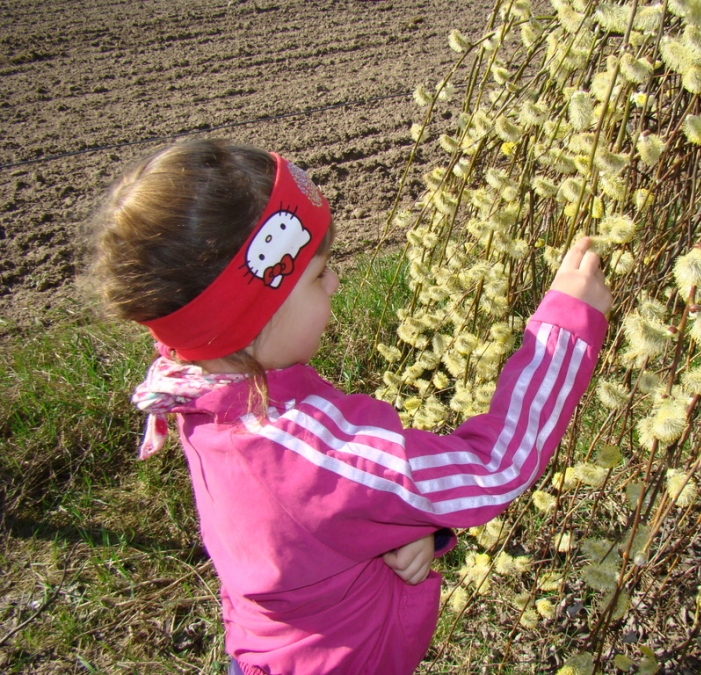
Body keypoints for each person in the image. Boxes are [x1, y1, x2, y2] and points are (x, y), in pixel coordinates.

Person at [89, 138, 612, 675]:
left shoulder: (197, 386)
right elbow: (494, 467)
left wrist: (410, 529)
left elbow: (303, 528)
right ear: (246, 316)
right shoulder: (305, 450)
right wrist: (567, 328)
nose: (336, 281)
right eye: (318, 274)